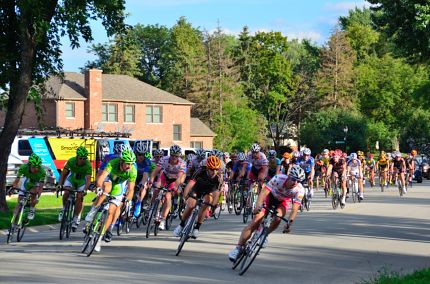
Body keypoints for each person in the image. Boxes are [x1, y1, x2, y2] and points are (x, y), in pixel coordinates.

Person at [228, 165, 305, 262]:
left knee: (278, 217)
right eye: (294, 179)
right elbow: (264, 192)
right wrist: (258, 206)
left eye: (299, 181)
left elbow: (295, 208)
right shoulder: (279, 178)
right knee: (255, 221)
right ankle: (238, 248)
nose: (296, 183)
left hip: (282, 202)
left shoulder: (300, 190)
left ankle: (265, 234)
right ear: (289, 176)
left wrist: (290, 223)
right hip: (270, 197)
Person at [84, 149, 137, 251]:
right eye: (127, 163)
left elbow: (131, 188)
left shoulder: (132, 170)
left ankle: (99, 237)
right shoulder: (113, 163)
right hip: (109, 179)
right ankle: (93, 211)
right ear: (121, 161)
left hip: (119, 185)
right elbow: (101, 177)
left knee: (111, 211)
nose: (129, 166)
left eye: (131, 164)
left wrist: (128, 200)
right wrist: (99, 187)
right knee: (106, 189)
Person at [173, 156, 223, 238]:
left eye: (216, 169)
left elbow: (216, 193)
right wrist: (185, 196)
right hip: (197, 188)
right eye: (212, 169)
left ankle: (197, 228)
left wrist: (214, 205)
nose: (214, 172)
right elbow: (190, 184)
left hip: (209, 191)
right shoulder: (200, 171)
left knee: (206, 204)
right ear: (207, 168)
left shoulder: (218, 178)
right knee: (191, 204)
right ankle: (181, 225)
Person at [149, 145, 186, 230]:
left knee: (167, 197)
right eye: (172, 155)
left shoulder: (182, 163)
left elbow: (180, 177)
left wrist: (176, 187)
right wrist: (151, 180)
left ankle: (163, 219)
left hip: (174, 179)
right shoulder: (164, 159)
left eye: (176, 156)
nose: (174, 157)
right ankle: (152, 207)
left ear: (179, 156)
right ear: (170, 154)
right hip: (165, 176)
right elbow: (156, 170)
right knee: (156, 188)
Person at [57, 146, 92, 230]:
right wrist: (60, 184)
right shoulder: (71, 161)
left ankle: (76, 218)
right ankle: (64, 209)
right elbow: (63, 174)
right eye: (80, 158)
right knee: (67, 192)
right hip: (71, 179)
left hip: (81, 182)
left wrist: (85, 190)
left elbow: (88, 180)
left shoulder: (88, 165)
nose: (82, 160)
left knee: (79, 197)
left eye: (84, 158)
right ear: (77, 157)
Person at [11, 153, 46, 220]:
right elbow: (17, 179)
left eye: (38, 167)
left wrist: (38, 197)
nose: (36, 169)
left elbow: (41, 187)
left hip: (35, 182)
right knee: (19, 202)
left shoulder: (42, 171)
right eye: (33, 167)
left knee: (34, 192)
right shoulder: (24, 167)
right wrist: (13, 187)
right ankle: (13, 224)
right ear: (29, 165)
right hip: (27, 180)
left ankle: (32, 209)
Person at [132, 142, 152, 218]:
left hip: (142, 176)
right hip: (133, 175)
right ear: (136, 153)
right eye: (139, 154)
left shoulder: (147, 162)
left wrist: (142, 184)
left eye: (143, 155)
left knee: (143, 187)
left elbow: (145, 174)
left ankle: (139, 203)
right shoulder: (132, 160)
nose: (141, 157)